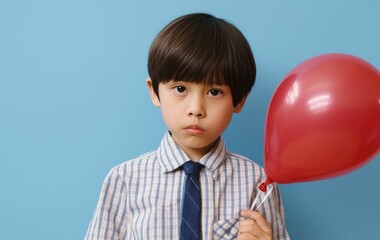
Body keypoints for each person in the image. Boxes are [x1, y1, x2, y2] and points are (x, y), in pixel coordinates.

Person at [85, 13, 290, 240]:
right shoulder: (124, 180)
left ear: (239, 100)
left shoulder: (257, 182)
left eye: (214, 92)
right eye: (180, 89)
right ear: (154, 91)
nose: (196, 109)